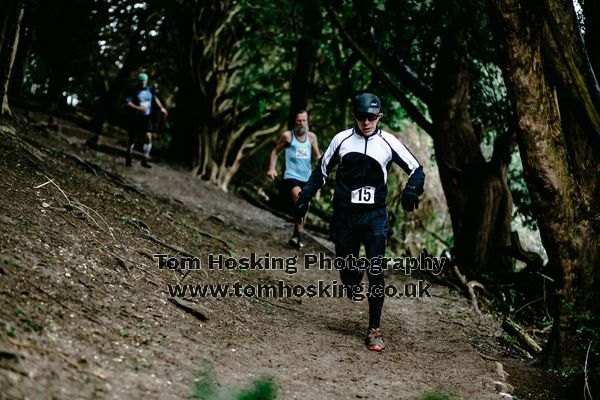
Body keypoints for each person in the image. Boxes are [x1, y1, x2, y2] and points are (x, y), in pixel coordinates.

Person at [294, 93, 425, 351]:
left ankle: (374, 329)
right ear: (354, 115)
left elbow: (416, 169)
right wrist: (304, 196)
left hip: (375, 216)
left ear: (379, 117)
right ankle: (353, 280)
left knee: (376, 270)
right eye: (362, 117)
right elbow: (321, 172)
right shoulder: (341, 140)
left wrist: (412, 190)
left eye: (372, 117)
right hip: (345, 216)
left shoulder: (388, 142)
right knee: (349, 272)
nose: (366, 122)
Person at [267, 110, 321, 248]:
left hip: (307, 177)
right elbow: (275, 152)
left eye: (304, 120)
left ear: (307, 121)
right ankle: (300, 235)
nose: (302, 123)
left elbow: (317, 157)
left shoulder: (312, 137)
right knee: (300, 199)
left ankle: (296, 234)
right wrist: (272, 168)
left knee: (304, 206)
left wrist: (326, 167)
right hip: (291, 176)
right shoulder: (287, 136)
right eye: (299, 120)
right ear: (295, 121)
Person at [125, 72, 168, 168]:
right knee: (133, 138)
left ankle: (145, 159)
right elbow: (128, 102)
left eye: (144, 81)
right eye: (141, 81)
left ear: (146, 81)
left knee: (149, 137)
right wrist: (137, 108)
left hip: (146, 118)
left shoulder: (150, 90)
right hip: (136, 117)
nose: (142, 83)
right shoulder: (134, 90)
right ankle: (129, 156)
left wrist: (162, 108)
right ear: (138, 81)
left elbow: (156, 99)